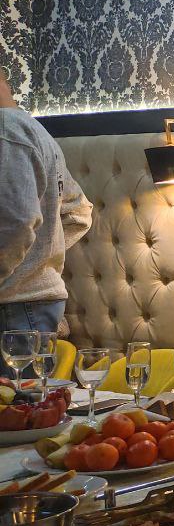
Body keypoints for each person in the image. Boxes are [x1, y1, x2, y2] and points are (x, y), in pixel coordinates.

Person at [0, 69, 92, 340]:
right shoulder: (35, 132)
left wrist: (29, 264)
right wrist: (38, 257)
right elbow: (78, 212)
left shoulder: (6, 130)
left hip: (14, 307)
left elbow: (17, 224)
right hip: (31, 306)